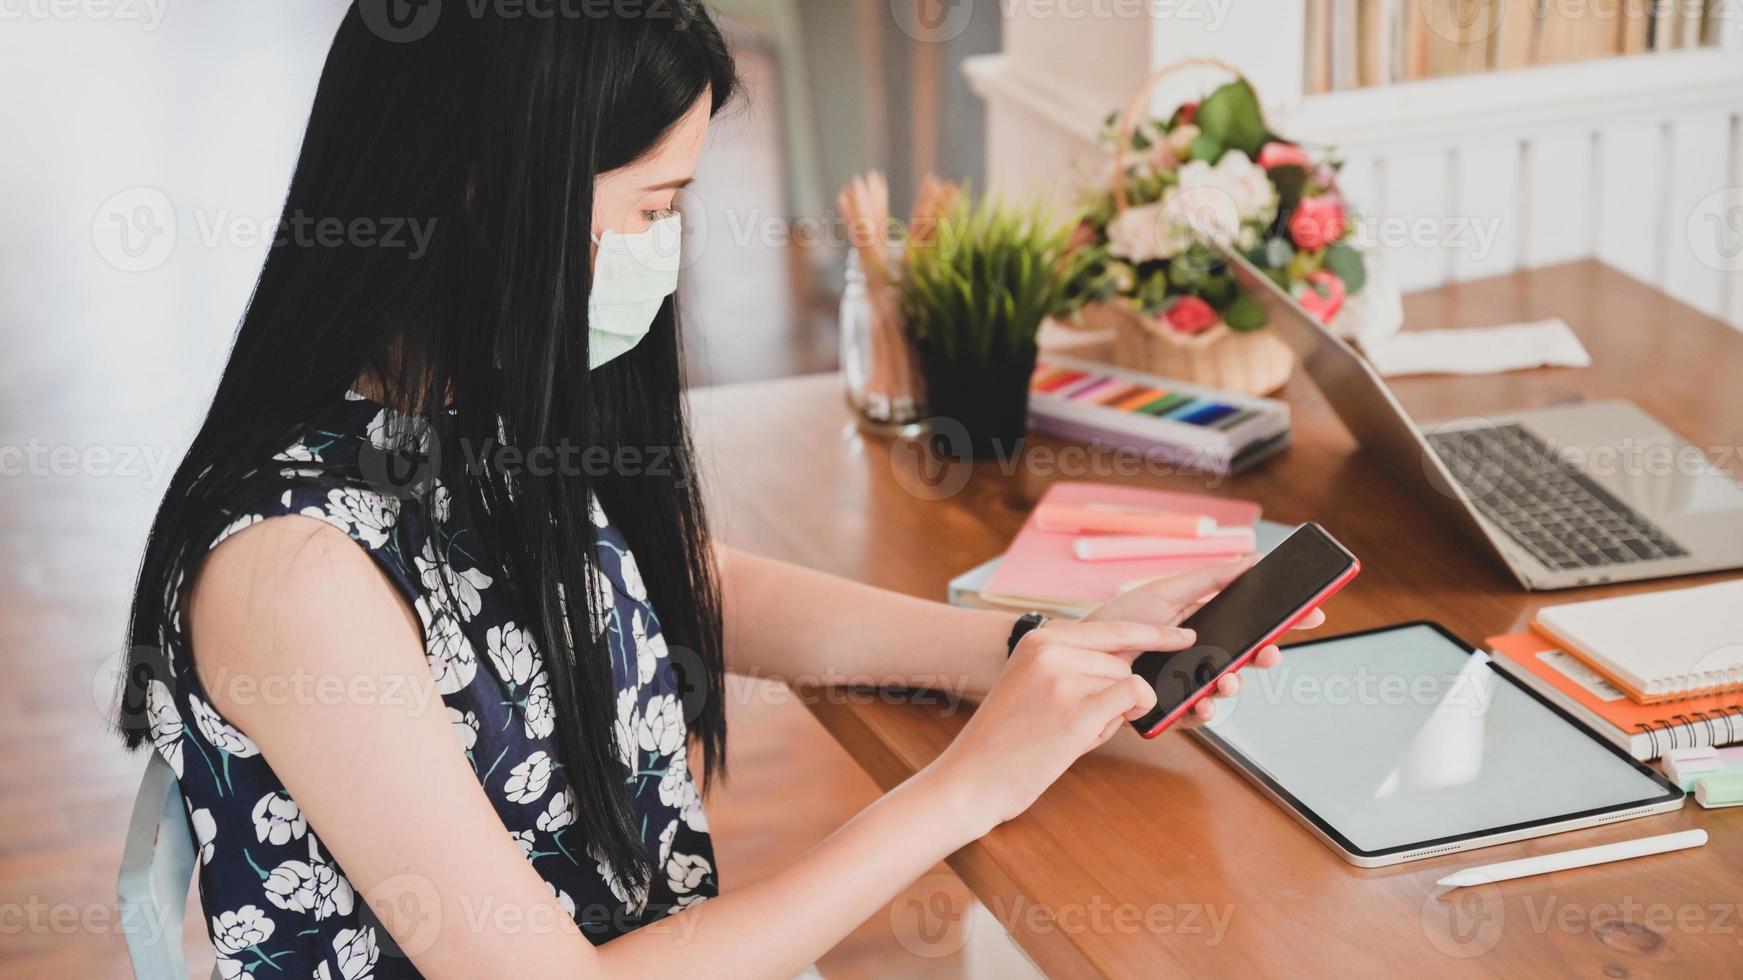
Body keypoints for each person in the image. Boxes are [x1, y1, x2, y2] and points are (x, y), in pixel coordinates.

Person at [118, 5, 1322, 977]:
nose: (666, 250)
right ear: (486, 198)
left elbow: (686, 580)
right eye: (653, 207)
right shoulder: (293, 575)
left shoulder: (465, 397)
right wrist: (967, 785)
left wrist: (1016, 648)